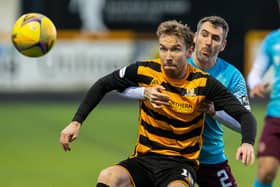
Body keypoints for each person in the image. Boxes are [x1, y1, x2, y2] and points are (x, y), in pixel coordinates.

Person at [60, 20, 257, 187]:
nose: (168, 56)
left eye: (175, 49)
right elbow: (105, 84)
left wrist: (246, 142)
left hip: (184, 163)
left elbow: (245, 116)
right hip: (146, 158)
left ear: (189, 51)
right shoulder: (146, 71)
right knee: (108, 177)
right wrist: (76, 122)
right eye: (163, 48)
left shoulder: (205, 82)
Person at [122, 16, 250, 187]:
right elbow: (121, 86)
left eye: (215, 38)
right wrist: (145, 92)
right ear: (195, 37)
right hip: (172, 157)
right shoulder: (174, 62)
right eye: (204, 35)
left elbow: (244, 122)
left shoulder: (233, 77)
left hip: (210, 158)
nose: (208, 42)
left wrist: (215, 111)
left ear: (223, 45)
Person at [247, 3, 280, 186]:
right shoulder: (272, 40)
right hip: (276, 115)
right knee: (266, 172)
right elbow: (255, 71)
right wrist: (255, 84)